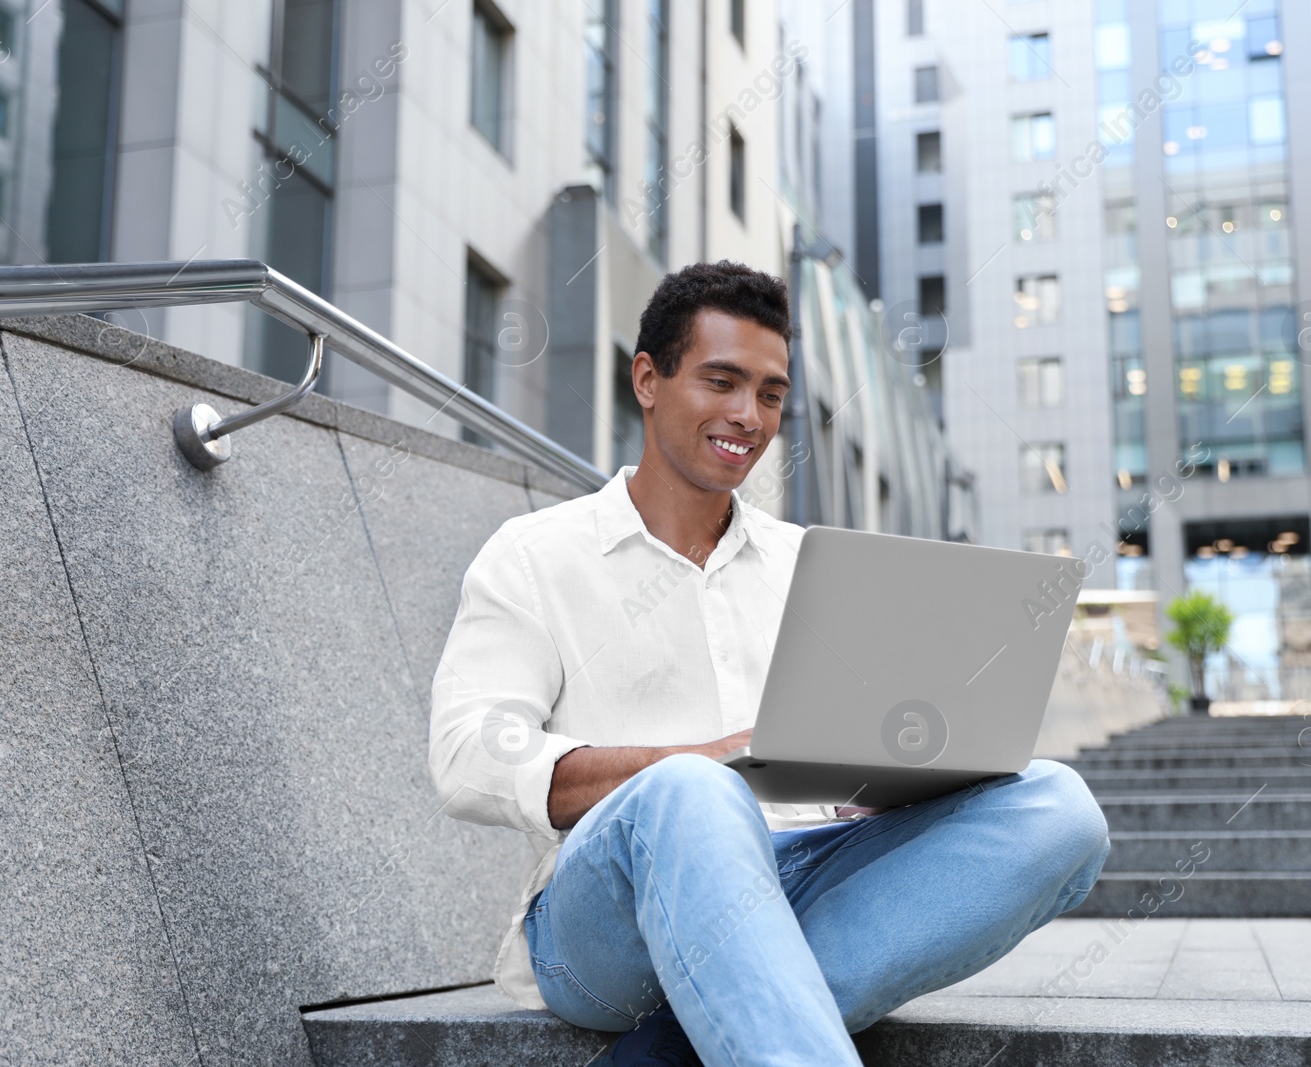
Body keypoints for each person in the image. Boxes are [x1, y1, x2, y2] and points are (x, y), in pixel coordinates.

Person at [429, 260, 1110, 1066]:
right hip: (606, 923)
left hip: (798, 876)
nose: (748, 416)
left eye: (771, 394)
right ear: (647, 379)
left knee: (1059, 805)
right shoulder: (535, 555)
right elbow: (470, 756)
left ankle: (680, 1046)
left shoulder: (811, 566)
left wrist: (892, 778)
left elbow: (866, 742)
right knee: (689, 791)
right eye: (721, 382)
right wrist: (703, 760)